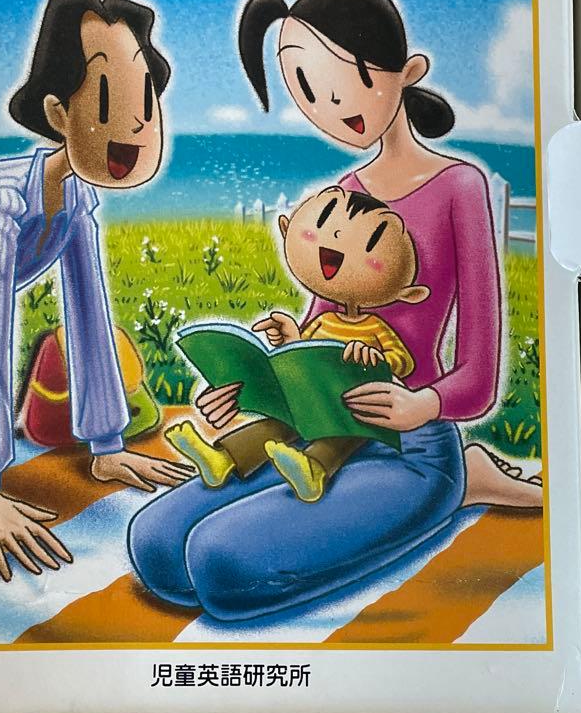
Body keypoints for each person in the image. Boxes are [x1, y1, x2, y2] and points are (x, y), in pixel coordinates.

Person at [128, 0, 541, 622]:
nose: (330, 105)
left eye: (346, 80)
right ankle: (451, 481)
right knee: (155, 547)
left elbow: (480, 374)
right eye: (307, 89)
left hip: (411, 449)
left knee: (218, 562)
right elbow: (317, 346)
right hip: (318, 434)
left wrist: (421, 404)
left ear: (407, 72)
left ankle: (460, 480)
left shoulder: (460, 186)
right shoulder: (344, 192)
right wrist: (247, 390)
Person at [0, 0, 192, 582]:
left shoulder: (76, 199)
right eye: (106, 98)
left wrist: (107, 446)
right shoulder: (3, 204)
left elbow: (90, 318)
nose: (137, 122)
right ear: (57, 113)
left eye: (145, 99)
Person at [165, 185, 430, 502]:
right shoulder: (323, 321)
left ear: (407, 293)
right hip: (311, 402)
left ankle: (314, 470)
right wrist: (290, 343)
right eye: (324, 225)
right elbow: (304, 353)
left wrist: (376, 357)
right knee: (275, 425)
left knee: (342, 435)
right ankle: (222, 459)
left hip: (356, 411)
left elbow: (403, 363)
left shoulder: (375, 327)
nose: (335, 241)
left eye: (370, 245)